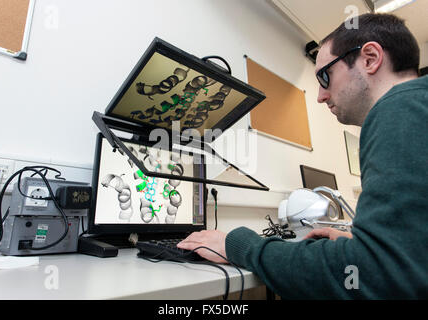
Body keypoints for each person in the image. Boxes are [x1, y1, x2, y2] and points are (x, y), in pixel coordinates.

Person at [178, 13, 428, 299]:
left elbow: (370, 276)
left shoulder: (400, 111)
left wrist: (238, 244)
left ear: (370, 58)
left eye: (325, 76)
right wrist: (358, 244)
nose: (321, 96)